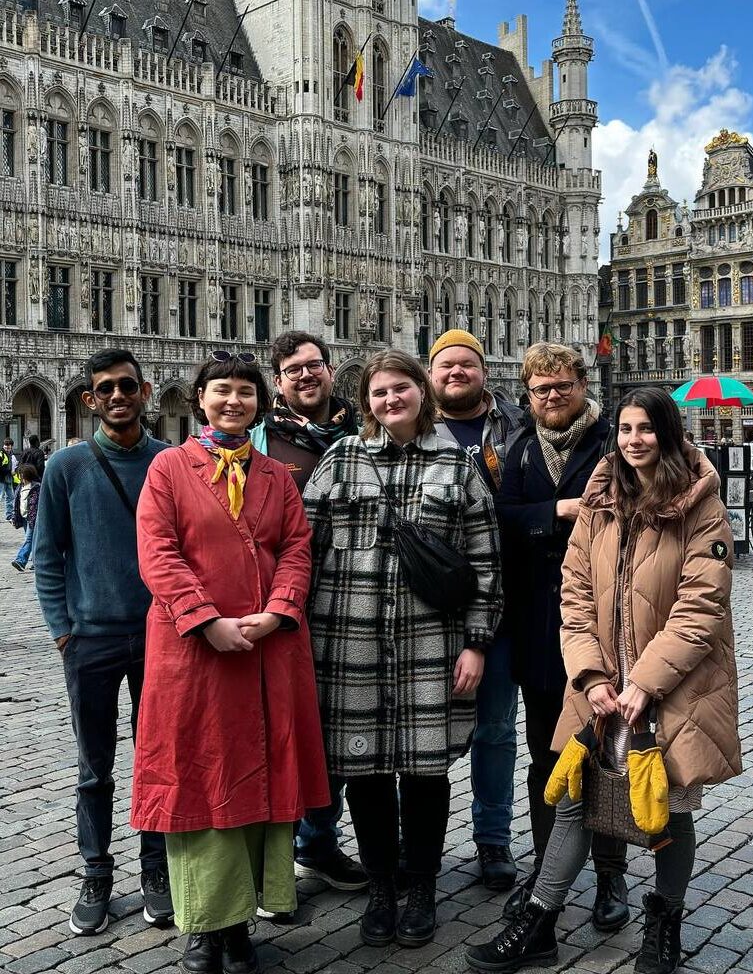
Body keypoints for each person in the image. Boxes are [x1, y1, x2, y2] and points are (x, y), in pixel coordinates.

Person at [468, 386, 741, 974]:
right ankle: (539, 924)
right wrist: (591, 677)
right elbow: (575, 594)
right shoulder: (599, 496)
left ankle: (663, 923)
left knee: (667, 811)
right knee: (571, 802)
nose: (633, 441)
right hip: (600, 685)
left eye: (645, 429)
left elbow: (701, 605)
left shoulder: (701, 503)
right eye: (624, 430)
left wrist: (644, 683)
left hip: (673, 688)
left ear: (667, 434)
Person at [132, 353, 329, 974]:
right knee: (200, 776)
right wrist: (205, 620)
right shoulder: (169, 467)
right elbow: (157, 551)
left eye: (246, 392)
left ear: (259, 403)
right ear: (201, 398)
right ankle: (202, 925)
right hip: (195, 652)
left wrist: (277, 610)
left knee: (260, 777)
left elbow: (297, 548)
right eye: (223, 391)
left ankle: (241, 920)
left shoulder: (273, 476)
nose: (234, 401)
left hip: (267, 648)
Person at [303, 349, 503, 948]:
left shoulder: (458, 464)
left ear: (422, 392)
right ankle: (382, 885)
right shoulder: (340, 459)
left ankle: (421, 885)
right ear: (365, 401)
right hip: (350, 642)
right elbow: (303, 551)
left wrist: (476, 643)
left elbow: (485, 563)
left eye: (400, 389)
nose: (390, 400)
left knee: (424, 773)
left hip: (431, 643)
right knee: (363, 772)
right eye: (378, 392)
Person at [34, 349, 172, 937]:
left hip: (162, 640)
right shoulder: (65, 465)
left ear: (144, 392)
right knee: (95, 766)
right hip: (90, 640)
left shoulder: (169, 462)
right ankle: (96, 871)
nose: (117, 396)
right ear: (89, 400)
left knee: (157, 760)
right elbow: (47, 555)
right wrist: (64, 630)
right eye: (105, 389)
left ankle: (157, 871)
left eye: (127, 387)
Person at [496, 343, 628, 928]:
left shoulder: (612, 442)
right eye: (541, 389)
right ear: (529, 396)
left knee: (609, 755)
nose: (552, 397)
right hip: (538, 627)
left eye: (562, 386)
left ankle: (609, 877)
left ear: (582, 385)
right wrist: (558, 511)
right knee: (545, 754)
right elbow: (503, 517)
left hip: (603, 626)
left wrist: (545, 514)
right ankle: (547, 869)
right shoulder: (520, 448)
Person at [250, 331, 366, 897]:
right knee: (280, 732)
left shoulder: (360, 431)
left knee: (338, 733)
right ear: (278, 380)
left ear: (330, 368)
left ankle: (318, 842)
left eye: (314, 365)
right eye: (293, 369)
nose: (305, 376)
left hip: (351, 605)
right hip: (281, 610)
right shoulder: (259, 439)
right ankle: (277, 857)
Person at [428, 329, 524, 891]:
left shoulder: (517, 425)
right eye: (445, 365)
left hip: (502, 605)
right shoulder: (407, 424)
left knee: (495, 731)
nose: (456, 373)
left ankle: (493, 841)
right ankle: (418, 845)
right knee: (419, 734)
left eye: (466, 364)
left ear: (483, 370)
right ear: (431, 373)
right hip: (425, 614)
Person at [11, 462, 40, 571]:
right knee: (32, 540)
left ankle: (20, 560)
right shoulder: (20, 487)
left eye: (22, 474)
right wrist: (14, 516)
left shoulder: (36, 487)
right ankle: (36, 562)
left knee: (28, 539)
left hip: (32, 518)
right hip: (23, 517)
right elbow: (16, 503)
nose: (21, 477)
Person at [1, 436, 16, 520]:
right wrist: (9, 470)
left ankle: (9, 515)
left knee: (10, 497)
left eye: (9, 447)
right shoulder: (1, 453)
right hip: (1, 479)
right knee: (1, 497)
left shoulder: (11, 454)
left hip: (9, 479)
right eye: (6, 446)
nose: (7, 448)